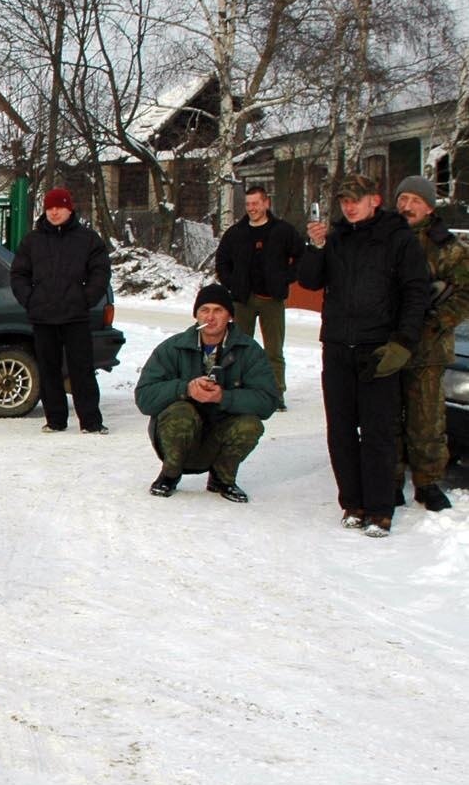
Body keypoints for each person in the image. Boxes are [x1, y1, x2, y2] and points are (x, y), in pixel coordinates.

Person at [298, 173, 431, 537]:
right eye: (344, 201)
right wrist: (315, 246)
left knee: (378, 432)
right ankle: (352, 503)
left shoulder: (398, 238)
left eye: (355, 200)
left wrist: (403, 342)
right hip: (338, 346)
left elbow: (416, 292)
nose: (349, 207)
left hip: (379, 348)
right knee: (340, 430)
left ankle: (379, 509)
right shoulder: (336, 237)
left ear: (375, 199)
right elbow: (309, 280)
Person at [134, 283, 278, 502]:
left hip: (221, 430)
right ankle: (170, 474)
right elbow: (144, 397)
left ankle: (222, 478)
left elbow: (268, 400)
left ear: (230, 316)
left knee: (251, 425)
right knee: (180, 413)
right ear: (196, 315)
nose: (210, 317)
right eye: (204, 310)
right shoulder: (172, 348)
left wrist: (224, 397)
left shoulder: (249, 351)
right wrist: (185, 389)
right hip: (181, 433)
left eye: (218, 310)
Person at [390, 175, 469, 512]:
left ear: (429, 207)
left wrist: (437, 320)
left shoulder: (447, 247)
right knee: (388, 417)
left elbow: (465, 293)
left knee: (428, 419)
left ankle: (428, 482)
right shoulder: (383, 238)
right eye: (402, 199)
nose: (407, 206)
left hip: (428, 347)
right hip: (388, 344)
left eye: (415, 201)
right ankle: (390, 479)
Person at [9, 187, 110, 433]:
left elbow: (100, 272)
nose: (54, 213)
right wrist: (30, 299)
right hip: (43, 316)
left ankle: (91, 422)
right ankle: (55, 420)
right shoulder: (33, 240)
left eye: (59, 208)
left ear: (69, 209)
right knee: (48, 370)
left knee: (82, 370)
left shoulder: (88, 239)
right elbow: (19, 274)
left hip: (76, 316)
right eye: (50, 208)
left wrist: (85, 298)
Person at [214, 183, 303, 408]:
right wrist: (232, 283)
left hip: (272, 299)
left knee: (274, 350)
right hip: (242, 300)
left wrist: (285, 278)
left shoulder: (282, 231)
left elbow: (301, 256)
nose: (251, 208)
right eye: (248, 204)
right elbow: (222, 261)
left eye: (255, 203)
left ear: (266, 203)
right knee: (238, 347)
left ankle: (276, 392)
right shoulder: (236, 233)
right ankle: (238, 389)